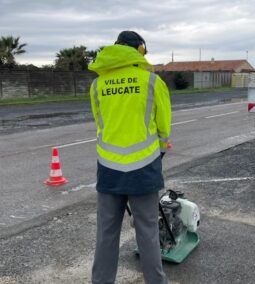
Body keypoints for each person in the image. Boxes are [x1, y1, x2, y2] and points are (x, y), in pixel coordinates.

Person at [88, 31, 171, 284]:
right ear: (140, 50)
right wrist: (159, 149)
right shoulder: (152, 81)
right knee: (146, 231)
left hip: (108, 167)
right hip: (144, 167)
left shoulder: (97, 84)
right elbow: (164, 125)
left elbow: (99, 122)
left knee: (106, 233)